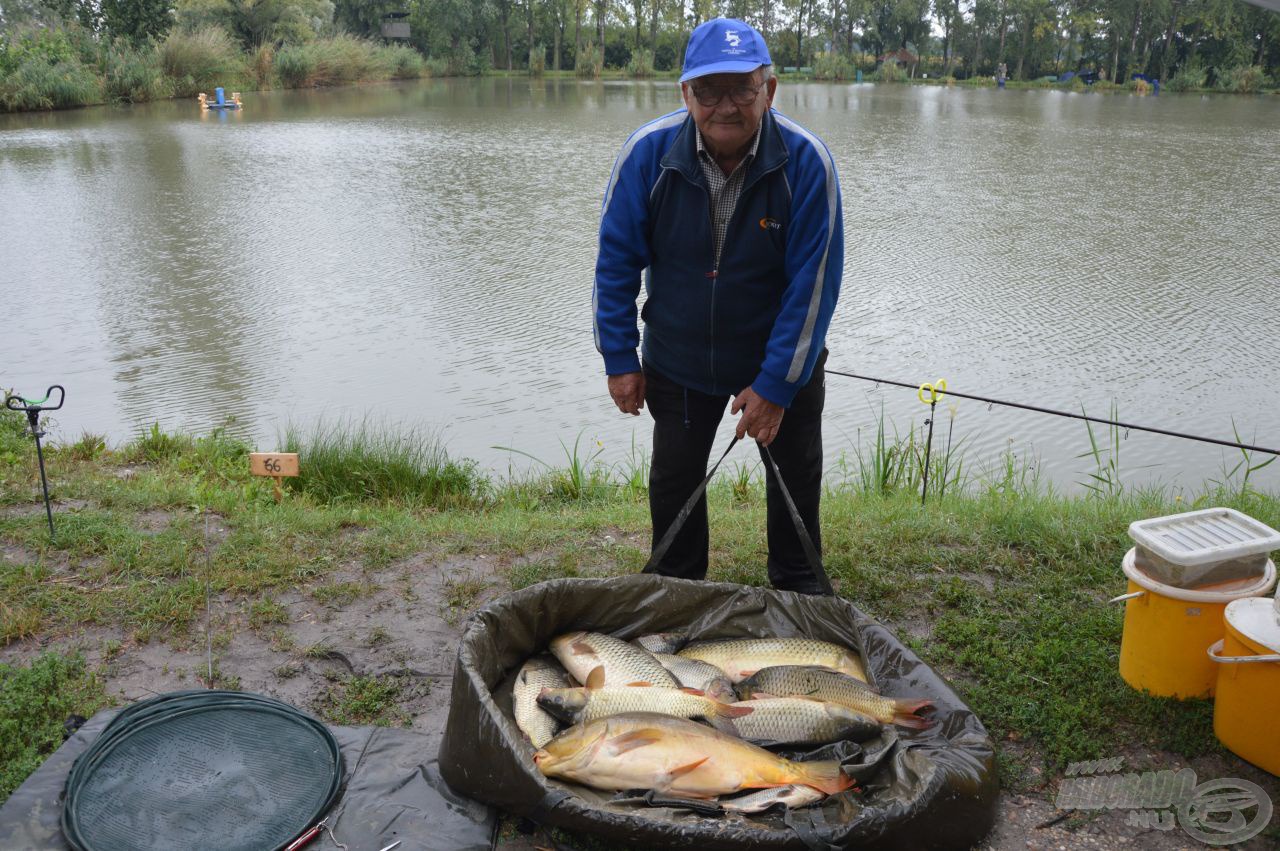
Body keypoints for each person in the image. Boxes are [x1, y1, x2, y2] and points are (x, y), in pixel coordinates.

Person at [592, 17, 844, 594]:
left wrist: (777, 386)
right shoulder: (646, 156)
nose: (725, 105)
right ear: (686, 94)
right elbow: (614, 263)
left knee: (793, 492)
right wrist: (620, 358)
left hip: (780, 359)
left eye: (742, 88)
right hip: (677, 361)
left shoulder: (807, 163)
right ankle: (679, 591)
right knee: (675, 484)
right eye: (708, 90)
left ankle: (797, 590)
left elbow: (815, 285)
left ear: (770, 90)